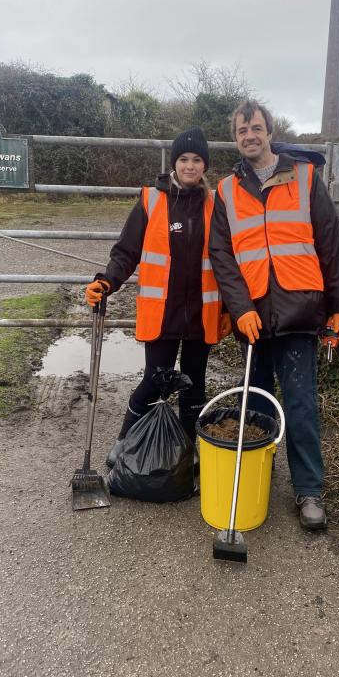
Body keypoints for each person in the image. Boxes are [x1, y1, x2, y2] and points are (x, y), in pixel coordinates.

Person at [208, 100, 339, 531]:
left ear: (269, 131)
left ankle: (309, 490)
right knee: (253, 401)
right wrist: (241, 309)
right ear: (235, 138)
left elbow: (331, 244)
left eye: (255, 128)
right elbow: (223, 257)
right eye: (240, 131)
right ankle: (256, 475)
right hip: (252, 316)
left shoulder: (306, 179)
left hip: (299, 310)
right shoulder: (227, 191)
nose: (248, 136)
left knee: (301, 402)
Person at [85, 127, 230, 469]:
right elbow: (126, 252)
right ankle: (124, 443)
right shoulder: (152, 200)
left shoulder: (216, 205)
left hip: (201, 314)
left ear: (205, 165)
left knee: (195, 385)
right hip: (161, 313)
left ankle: (183, 452)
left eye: (197, 160)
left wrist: (231, 309)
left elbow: (228, 259)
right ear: (174, 163)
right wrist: (106, 281)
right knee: (154, 380)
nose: (190, 166)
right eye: (183, 159)